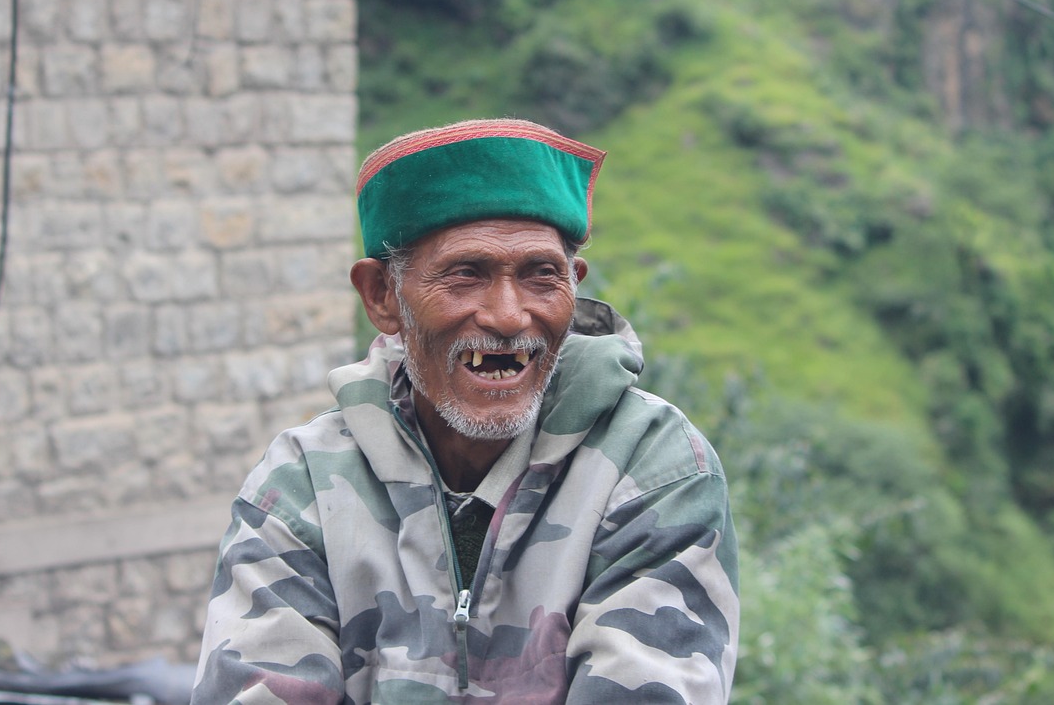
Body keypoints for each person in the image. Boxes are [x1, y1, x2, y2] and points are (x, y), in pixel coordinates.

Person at [192, 118, 739, 704]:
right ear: (382, 296)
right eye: (465, 274)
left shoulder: (651, 465)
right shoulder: (303, 482)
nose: (508, 316)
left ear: (574, 286)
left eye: (541, 275)